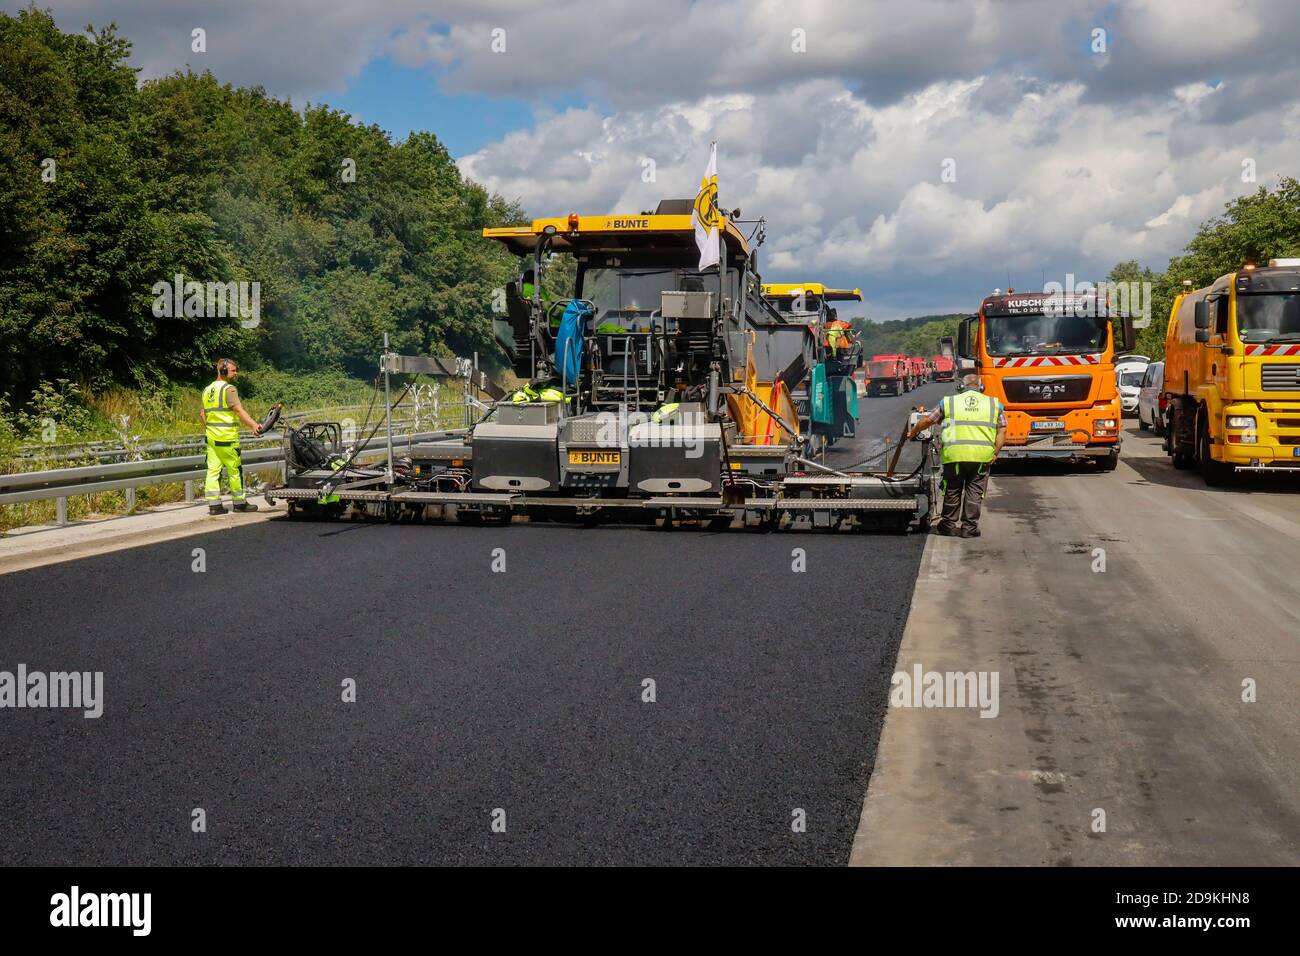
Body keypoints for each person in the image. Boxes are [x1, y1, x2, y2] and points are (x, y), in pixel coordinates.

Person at [906, 372, 1006, 538]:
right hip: (981, 457)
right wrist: (995, 452)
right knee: (975, 491)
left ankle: (948, 525)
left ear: (961, 387)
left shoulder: (949, 402)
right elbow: (1002, 432)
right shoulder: (994, 404)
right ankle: (969, 528)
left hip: (955, 456)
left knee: (953, 489)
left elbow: (927, 420)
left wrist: (913, 431)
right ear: (981, 387)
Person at [200, 358, 263, 514]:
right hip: (227, 439)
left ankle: (214, 506)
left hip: (212, 439)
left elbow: (203, 414)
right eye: (233, 370)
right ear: (223, 371)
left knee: (213, 471)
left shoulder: (207, 389)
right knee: (235, 471)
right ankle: (239, 503)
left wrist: (212, 428)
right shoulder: (229, 389)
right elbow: (238, 411)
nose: (236, 373)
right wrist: (254, 425)